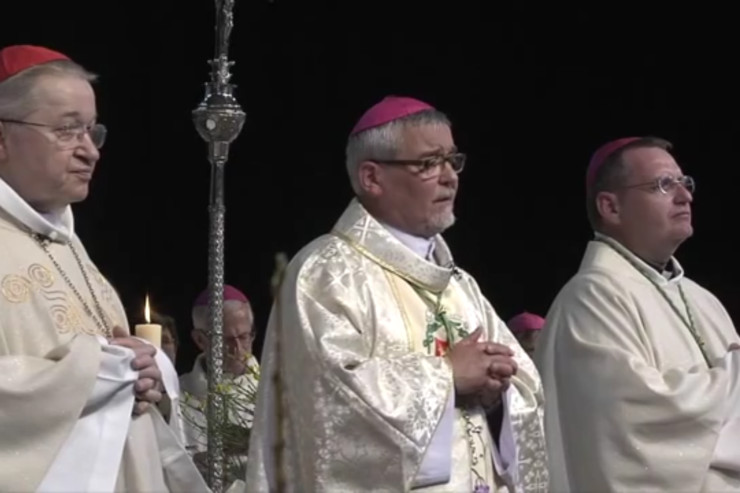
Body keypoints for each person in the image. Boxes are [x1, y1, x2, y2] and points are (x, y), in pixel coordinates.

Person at [246, 96, 548, 492]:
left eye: (452, 160)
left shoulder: (459, 284)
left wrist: (497, 394)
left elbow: (526, 384)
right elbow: (328, 409)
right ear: (372, 178)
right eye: (429, 163)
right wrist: (447, 377)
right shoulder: (325, 273)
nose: (450, 177)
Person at [0, 45, 207, 491]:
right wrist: (91, 375)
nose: (90, 152)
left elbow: (120, 368)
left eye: (92, 131)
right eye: (67, 130)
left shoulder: (66, 243)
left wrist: (150, 376)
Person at [535, 136, 740, 492]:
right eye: (663, 184)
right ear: (611, 207)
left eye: (685, 183)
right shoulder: (590, 299)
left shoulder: (703, 300)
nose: (685, 196)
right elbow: (634, 426)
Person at [180, 285, 259, 482]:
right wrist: (190, 468)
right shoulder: (177, 394)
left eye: (244, 337)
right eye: (226, 340)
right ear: (200, 340)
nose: (238, 349)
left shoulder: (275, 388)